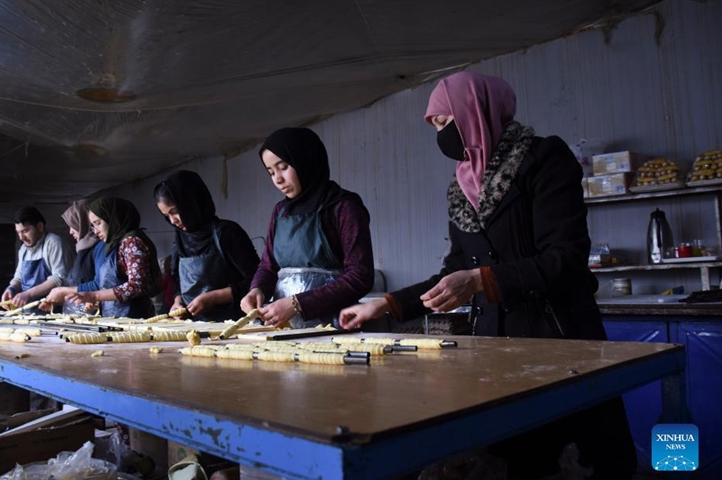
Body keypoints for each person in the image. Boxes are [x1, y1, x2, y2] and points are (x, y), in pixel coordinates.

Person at [339, 71, 636, 479]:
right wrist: (386, 304)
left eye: (444, 122)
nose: (441, 135)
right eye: (436, 128)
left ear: (474, 112)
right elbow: (454, 270)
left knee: (585, 459)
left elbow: (565, 258)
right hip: (499, 345)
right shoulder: (461, 189)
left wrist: (481, 281)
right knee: (518, 461)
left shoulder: (543, 159)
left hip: (561, 338)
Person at [240, 127, 374, 329]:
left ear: (305, 160)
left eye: (283, 167)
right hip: (285, 328)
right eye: (271, 172)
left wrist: (298, 304)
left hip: (336, 327)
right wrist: (256, 289)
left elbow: (360, 276)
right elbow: (268, 266)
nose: (277, 179)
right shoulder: (280, 212)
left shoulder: (343, 206)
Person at [154, 170, 260, 321]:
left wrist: (215, 297)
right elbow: (178, 281)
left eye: (175, 211)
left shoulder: (227, 233)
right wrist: (178, 302)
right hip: (193, 325)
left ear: (191, 202)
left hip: (232, 324)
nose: (173, 221)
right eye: (167, 216)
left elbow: (256, 280)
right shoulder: (180, 239)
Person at [64, 197, 161, 318]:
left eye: (98, 223)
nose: (95, 231)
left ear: (113, 218)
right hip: (116, 316)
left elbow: (137, 285)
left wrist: (95, 295)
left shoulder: (132, 242)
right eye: (93, 226)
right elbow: (113, 282)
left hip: (133, 317)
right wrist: (99, 301)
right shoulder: (114, 244)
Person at [1, 206, 71, 311]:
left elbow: (59, 278)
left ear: (40, 226)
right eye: (18, 232)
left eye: (25, 231)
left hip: (51, 310)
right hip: (28, 311)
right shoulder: (24, 249)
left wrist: (29, 294)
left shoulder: (53, 243)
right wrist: (11, 288)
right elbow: (18, 278)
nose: (21, 237)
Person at [42, 199, 105, 315]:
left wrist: (62, 291)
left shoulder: (100, 247)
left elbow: (100, 284)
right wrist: (58, 299)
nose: (70, 232)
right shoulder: (82, 249)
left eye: (73, 226)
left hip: (92, 317)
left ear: (82, 223)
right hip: (77, 315)